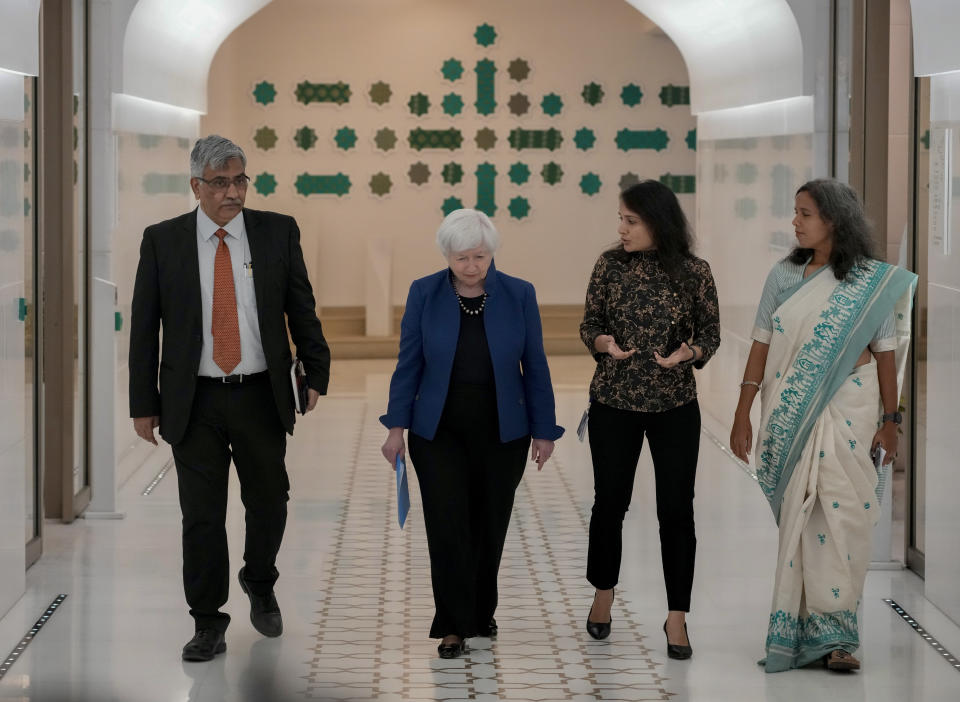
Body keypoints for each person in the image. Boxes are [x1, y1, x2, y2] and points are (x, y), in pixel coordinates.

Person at [129, 135, 331, 662]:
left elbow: (301, 306)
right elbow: (144, 328)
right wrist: (142, 402)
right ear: (196, 186)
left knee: (270, 501)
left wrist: (316, 369)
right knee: (201, 515)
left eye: (240, 179)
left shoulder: (277, 232)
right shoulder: (163, 241)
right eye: (220, 183)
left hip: (260, 393)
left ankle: (259, 579)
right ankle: (207, 621)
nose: (233, 191)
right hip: (192, 401)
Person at [729, 178, 917, 673]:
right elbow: (762, 344)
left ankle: (839, 640)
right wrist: (742, 411)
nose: (795, 222)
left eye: (805, 213)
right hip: (792, 413)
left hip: (852, 412)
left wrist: (892, 421)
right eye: (795, 212)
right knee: (801, 518)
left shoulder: (868, 281)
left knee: (844, 521)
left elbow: (885, 354)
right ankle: (800, 631)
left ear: (834, 220)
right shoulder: (784, 276)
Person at [380, 208, 564, 659]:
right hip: (437, 430)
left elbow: (535, 365)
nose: (471, 266)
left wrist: (544, 430)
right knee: (447, 525)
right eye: (461, 258)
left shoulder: (519, 294)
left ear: (491, 253)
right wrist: (396, 427)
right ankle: (452, 625)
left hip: (503, 431)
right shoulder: (424, 293)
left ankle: (481, 611)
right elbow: (409, 364)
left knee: (489, 524)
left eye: (479, 256)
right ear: (446, 254)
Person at [579, 180, 720, 659]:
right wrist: (604, 345)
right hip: (614, 403)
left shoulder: (695, 273)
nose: (621, 229)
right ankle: (603, 594)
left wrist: (691, 351)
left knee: (676, 512)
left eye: (630, 220)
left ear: (658, 222)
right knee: (609, 503)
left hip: (675, 407)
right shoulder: (609, 267)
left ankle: (676, 617)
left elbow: (711, 333)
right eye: (620, 218)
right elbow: (590, 323)